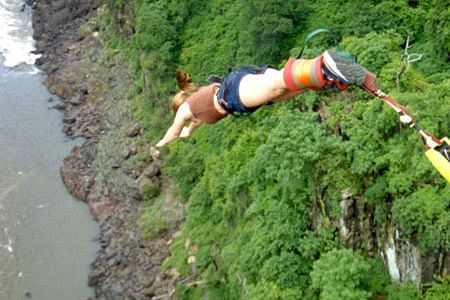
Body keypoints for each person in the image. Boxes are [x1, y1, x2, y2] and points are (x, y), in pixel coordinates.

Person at [156, 50, 378, 148]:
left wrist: (162, 142)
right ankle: (330, 74)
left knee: (277, 84)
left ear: (181, 107)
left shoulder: (187, 108)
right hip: (237, 90)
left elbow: (174, 130)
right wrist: (186, 132)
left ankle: (323, 65)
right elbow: (188, 128)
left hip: (233, 93)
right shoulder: (196, 111)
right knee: (291, 88)